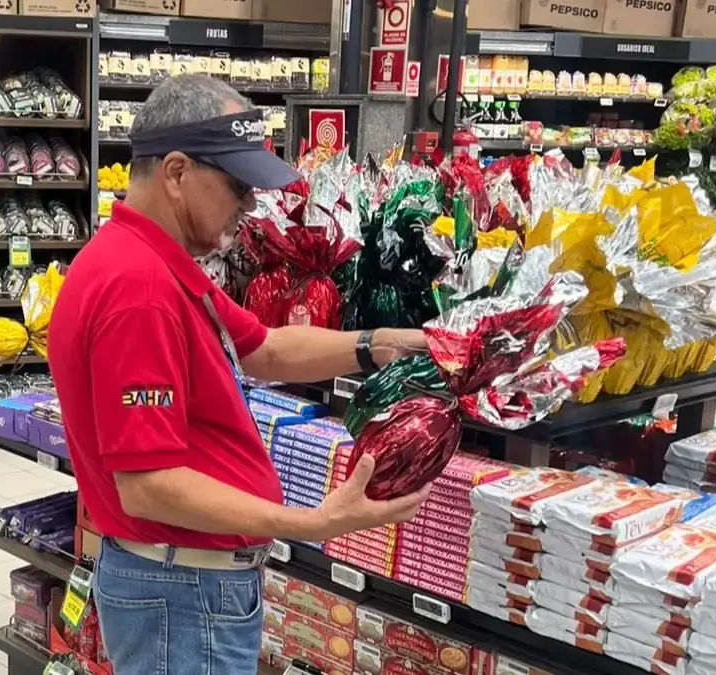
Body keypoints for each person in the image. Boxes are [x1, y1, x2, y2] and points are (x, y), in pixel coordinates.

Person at [47, 74, 432, 675]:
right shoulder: (138, 290)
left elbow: (266, 349)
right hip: (180, 593)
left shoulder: (160, 262)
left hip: (184, 585)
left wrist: (381, 344)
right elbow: (148, 484)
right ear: (176, 174)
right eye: (237, 185)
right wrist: (311, 523)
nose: (251, 205)